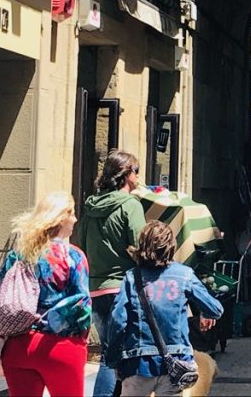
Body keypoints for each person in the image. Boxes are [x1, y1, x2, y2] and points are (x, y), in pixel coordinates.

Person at [106, 221, 223, 396]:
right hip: (175, 365)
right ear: (171, 247)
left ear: (142, 247)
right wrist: (205, 313)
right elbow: (216, 309)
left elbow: (117, 321)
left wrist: (114, 359)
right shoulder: (184, 275)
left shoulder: (131, 278)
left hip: (138, 364)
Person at [0, 192, 91, 397]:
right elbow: (82, 305)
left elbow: (2, 295)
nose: (75, 219)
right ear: (60, 218)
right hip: (60, 346)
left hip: (18, 346)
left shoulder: (17, 254)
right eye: (72, 214)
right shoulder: (73, 255)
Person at [76, 150, 147, 397]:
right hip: (123, 289)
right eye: (136, 171)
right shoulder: (130, 205)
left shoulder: (90, 206)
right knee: (122, 354)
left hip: (96, 288)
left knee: (109, 352)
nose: (139, 176)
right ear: (126, 174)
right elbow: (141, 248)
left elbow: (81, 246)